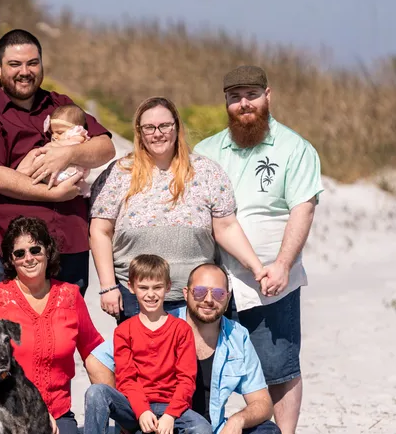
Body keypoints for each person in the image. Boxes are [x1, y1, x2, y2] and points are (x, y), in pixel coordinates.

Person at [194, 65, 323, 434]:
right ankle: (203, 433)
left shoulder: (294, 148)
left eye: (251, 94)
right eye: (235, 97)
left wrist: (283, 264)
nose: (243, 103)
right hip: (218, 277)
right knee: (205, 358)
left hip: (273, 275)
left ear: (268, 95)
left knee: (278, 359)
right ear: (226, 102)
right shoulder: (207, 150)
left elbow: (302, 209)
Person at [90, 96, 268, 327]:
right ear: (139, 132)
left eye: (165, 125)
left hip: (197, 296)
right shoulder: (118, 173)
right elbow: (100, 231)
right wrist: (108, 287)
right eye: (149, 128)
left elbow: (226, 227)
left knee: (196, 363)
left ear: (176, 127)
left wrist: (257, 267)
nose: (157, 133)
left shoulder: (206, 171)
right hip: (137, 296)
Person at [0, 29, 116, 294]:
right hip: (16, 251)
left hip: (69, 244)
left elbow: (106, 146)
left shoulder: (60, 104)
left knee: (68, 331)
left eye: (32, 63)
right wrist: (53, 193)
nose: (25, 71)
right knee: (16, 332)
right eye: (15, 64)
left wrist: (67, 154)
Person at [0, 216, 114, 434]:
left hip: (58, 411)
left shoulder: (70, 295)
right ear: (11, 260)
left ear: (48, 251)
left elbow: (91, 350)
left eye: (35, 250)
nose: (29, 258)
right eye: (19, 253)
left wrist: (116, 408)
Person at [80, 255, 211, 434]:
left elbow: (187, 379)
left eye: (157, 287)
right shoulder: (124, 331)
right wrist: (141, 411)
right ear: (131, 287)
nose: (151, 294)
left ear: (168, 287)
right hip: (134, 406)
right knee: (97, 392)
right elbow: (127, 379)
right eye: (143, 287)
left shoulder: (181, 330)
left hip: (171, 407)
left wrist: (171, 415)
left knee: (202, 430)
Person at [174, 263, 284, 434]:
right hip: (171, 432)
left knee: (270, 432)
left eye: (218, 293)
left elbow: (263, 403)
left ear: (228, 297)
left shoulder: (237, 336)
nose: (208, 299)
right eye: (199, 291)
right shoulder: (162, 325)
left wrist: (237, 421)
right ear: (186, 293)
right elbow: (108, 363)